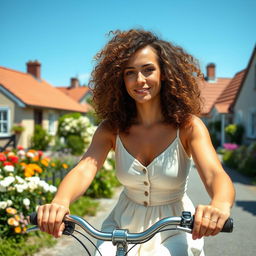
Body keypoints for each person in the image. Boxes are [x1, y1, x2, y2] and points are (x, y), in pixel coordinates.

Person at [37, 29, 235, 256]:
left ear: (164, 73)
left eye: (148, 70)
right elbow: (85, 169)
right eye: (130, 72)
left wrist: (220, 204)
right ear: (120, 79)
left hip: (174, 225)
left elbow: (214, 174)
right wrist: (60, 202)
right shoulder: (111, 128)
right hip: (122, 224)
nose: (139, 80)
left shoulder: (188, 126)